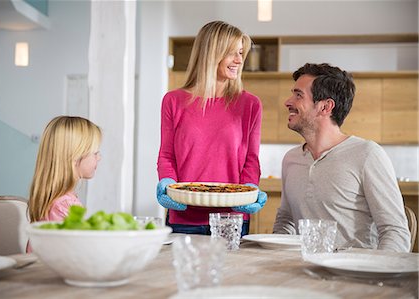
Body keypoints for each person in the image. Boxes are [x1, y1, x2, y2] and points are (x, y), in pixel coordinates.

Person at [272, 63, 411, 252]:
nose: (288, 102)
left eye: (298, 95)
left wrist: (373, 276)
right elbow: (286, 221)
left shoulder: (367, 154)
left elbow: (395, 232)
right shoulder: (291, 159)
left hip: (355, 274)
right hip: (304, 272)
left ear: (325, 106)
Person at [156, 20, 267, 236]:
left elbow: (251, 160)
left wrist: (250, 189)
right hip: (184, 216)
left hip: (231, 218)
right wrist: (166, 182)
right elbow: (167, 155)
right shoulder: (173, 101)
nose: (239, 60)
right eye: (232, 53)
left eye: (241, 53)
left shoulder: (250, 104)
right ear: (211, 53)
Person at [28, 116, 102, 224]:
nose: (99, 158)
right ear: (75, 155)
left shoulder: (58, 201)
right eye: (95, 153)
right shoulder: (62, 206)